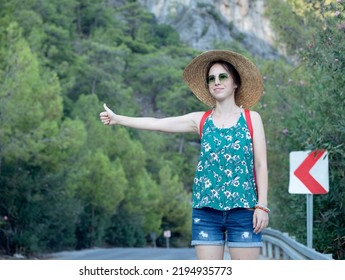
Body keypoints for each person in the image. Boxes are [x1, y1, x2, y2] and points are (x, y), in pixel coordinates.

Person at [99, 50, 269, 260]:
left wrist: (262, 206)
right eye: (211, 78)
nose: (217, 82)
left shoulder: (252, 119)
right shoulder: (201, 120)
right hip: (206, 211)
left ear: (235, 82)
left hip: (245, 210)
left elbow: (261, 165)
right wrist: (119, 119)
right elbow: (158, 123)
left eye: (223, 76)